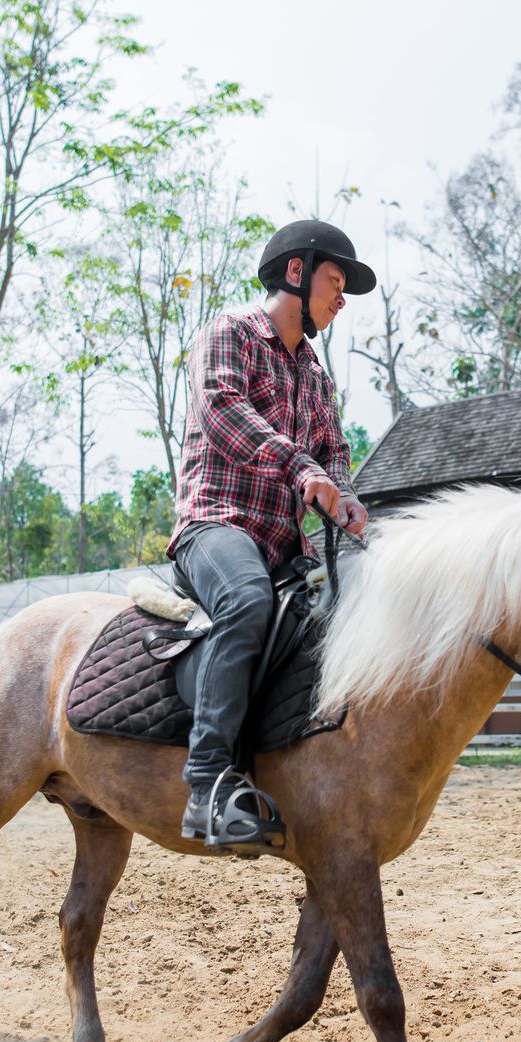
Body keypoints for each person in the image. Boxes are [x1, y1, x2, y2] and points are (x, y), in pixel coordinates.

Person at [167, 219, 373, 853]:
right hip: (216, 526)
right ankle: (204, 787)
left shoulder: (315, 375)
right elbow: (223, 410)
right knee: (249, 600)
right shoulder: (228, 334)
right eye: (335, 281)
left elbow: (333, 451)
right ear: (296, 272)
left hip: (286, 546)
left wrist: (348, 500)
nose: (341, 298)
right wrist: (302, 468)